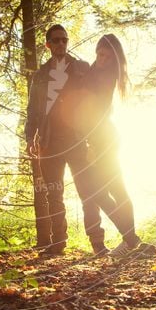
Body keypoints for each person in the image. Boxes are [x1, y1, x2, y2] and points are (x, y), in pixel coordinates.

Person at [76, 33, 153, 259]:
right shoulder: (96, 70)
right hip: (104, 136)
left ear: (114, 59)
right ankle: (130, 240)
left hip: (102, 139)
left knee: (100, 191)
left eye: (107, 57)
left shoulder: (106, 76)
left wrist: (91, 144)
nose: (101, 59)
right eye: (99, 54)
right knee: (115, 189)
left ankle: (130, 239)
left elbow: (95, 111)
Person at [25, 24, 96, 256]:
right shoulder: (40, 75)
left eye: (64, 40)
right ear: (48, 44)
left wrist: (95, 135)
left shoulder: (82, 68)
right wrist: (29, 138)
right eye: (56, 40)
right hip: (49, 141)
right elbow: (33, 110)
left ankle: (98, 243)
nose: (61, 44)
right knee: (54, 193)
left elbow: (94, 102)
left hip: (76, 139)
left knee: (88, 190)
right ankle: (58, 244)